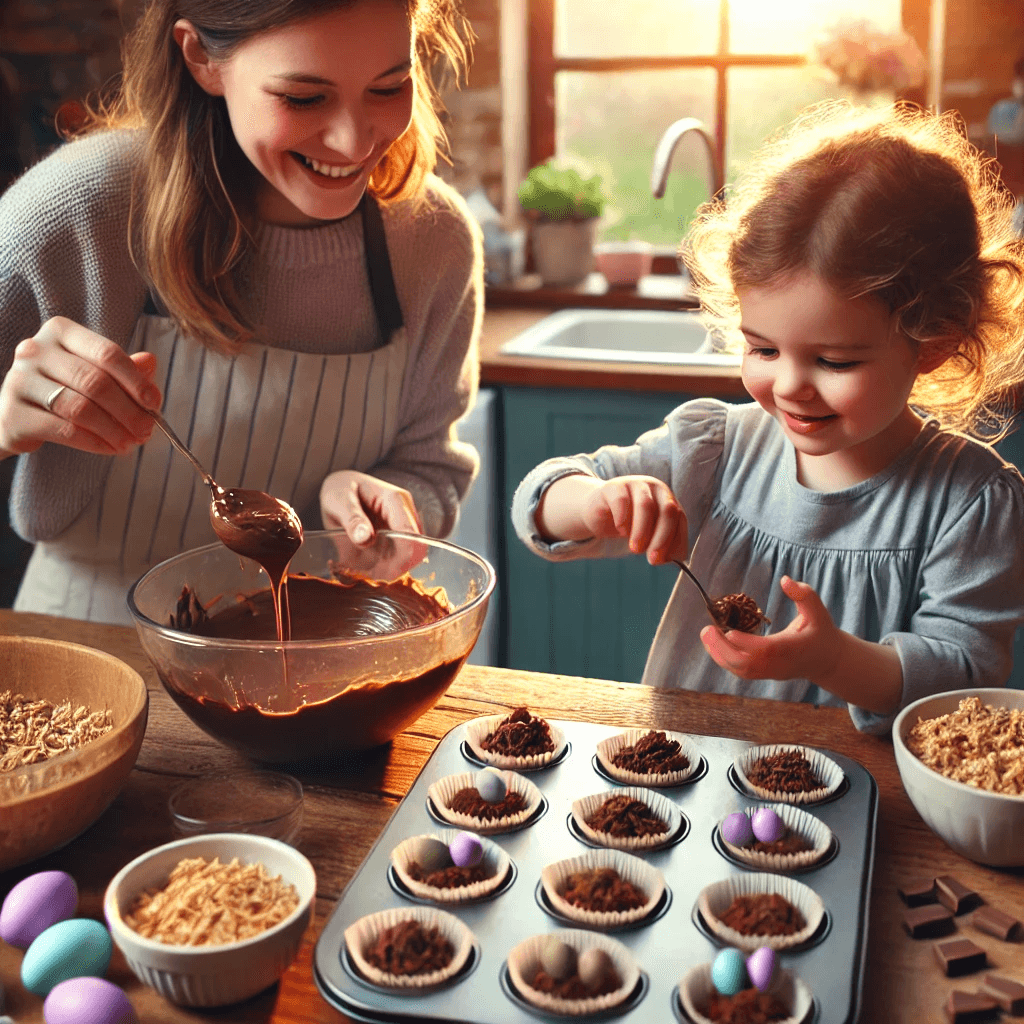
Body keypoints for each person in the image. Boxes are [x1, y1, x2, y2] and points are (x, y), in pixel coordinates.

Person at [511, 101, 1024, 734]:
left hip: (860, 784)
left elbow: (965, 681)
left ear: (934, 341)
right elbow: (537, 504)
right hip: (682, 771)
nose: (788, 387)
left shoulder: (969, 503)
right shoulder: (715, 449)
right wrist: (592, 501)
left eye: (833, 360)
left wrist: (833, 660)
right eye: (763, 350)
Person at [0, 0, 483, 624]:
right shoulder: (79, 209)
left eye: (388, 88)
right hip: (88, 652)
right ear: (201, 57)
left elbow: (430, 467)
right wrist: (5, 422)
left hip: (319, 653)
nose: (354, 141)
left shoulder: (432, 241)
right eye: (304, 98)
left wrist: (385, 507)